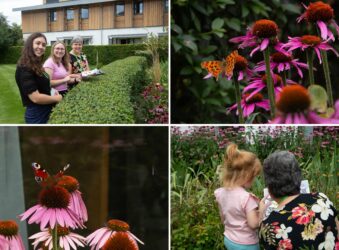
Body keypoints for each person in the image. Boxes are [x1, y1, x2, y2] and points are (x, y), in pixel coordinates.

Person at [260, 151, 338, 249]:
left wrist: (260, 216)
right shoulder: (321, 199)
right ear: (298, 177)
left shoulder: (269, 225)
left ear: (269, 185)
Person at [214, 143, 265, 250]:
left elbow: (223, 219)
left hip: (229, 239)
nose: (254, 180)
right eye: (253, 176)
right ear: (246, 176)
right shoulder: (246, 198)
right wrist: (261, 208)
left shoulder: (220, 193)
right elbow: (254, 224)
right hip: (246, 244)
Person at [16, 32, 62, 124]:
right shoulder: (24, 67)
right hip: (37, 114)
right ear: (30, 45)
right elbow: (35, 98)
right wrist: (57, 98)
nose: (41, 47)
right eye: (38, 43)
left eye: (44, 45)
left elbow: (42, 84)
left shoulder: (36, 65)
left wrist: (51, 90)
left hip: (46, 109)